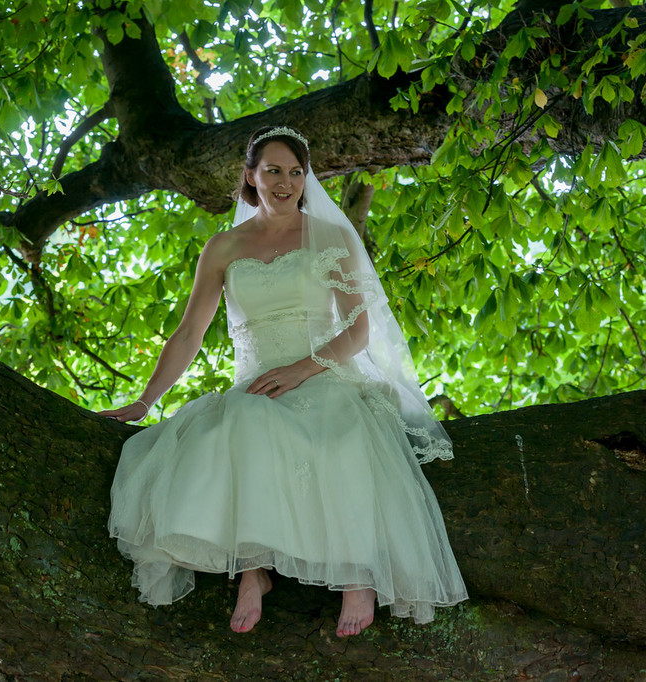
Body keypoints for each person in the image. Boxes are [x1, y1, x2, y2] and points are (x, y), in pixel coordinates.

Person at [100, 126, 468, 637]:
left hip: (324, 371)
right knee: (243, 422)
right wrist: (145, 400)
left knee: (344, 431)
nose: (285, 182)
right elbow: (189, 334)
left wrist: (305, 368)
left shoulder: (332, 236)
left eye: (296, 172)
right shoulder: (224, 246)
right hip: (258, 384)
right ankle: (254, 574)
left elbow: (359, 329)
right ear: (251, 176)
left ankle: (357, 576)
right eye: (273, 170)